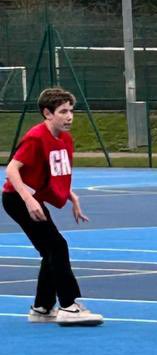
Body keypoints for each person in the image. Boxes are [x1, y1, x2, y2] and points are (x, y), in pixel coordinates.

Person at [1, 87, 103, 326]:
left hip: (30, 198)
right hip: (17, 199)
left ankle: (42, 308)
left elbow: (51, 174)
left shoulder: (64, 139)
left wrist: (71, 196)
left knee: (51, 250)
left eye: (71, 111)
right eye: (63, 111)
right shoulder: (36, 137)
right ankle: (68, 305)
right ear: (47, 113)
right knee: (57, 246)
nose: (69, 116)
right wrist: (28, 199)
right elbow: (12, 169)